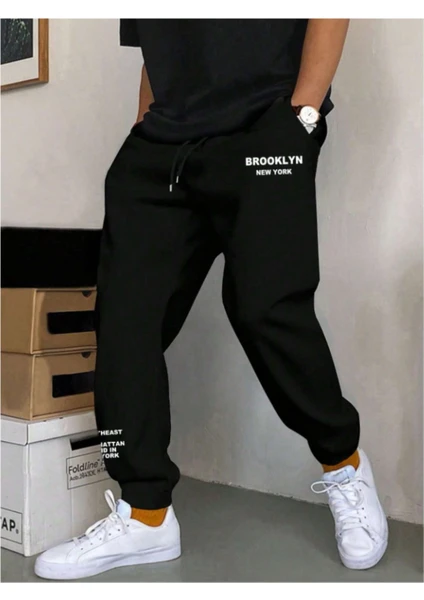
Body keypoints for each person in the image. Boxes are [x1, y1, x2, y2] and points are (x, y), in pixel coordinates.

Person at [35, 19, 388, 581]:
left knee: (265, 309)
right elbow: (156, 48)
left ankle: (344, 464)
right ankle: (146, 514)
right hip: (161, 146)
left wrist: (302, 115)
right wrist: (144, 127)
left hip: (265, 128)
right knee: (126, 322)